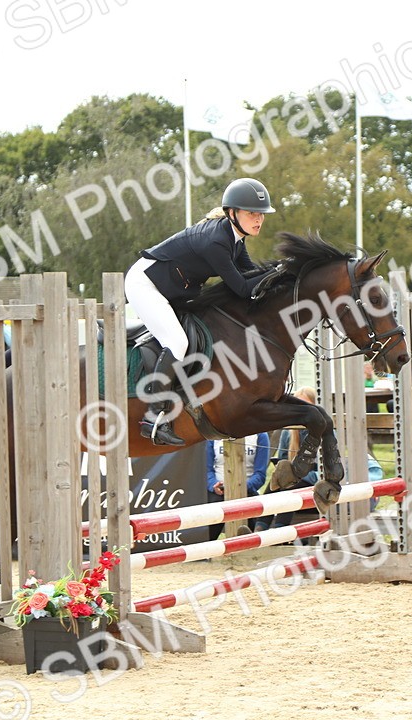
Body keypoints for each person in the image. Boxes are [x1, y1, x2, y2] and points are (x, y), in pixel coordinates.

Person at [125, 177, 275, 446]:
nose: (258, 220)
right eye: (252, 213)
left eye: (261, 214)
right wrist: (277, 273)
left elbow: (252, 273)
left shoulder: (235, 239)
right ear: (232, 213)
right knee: (177, 341)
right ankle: (153, 415)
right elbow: (242, 287)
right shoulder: (216, 241)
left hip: (169, 288)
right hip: (145, 284)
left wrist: (279, 273)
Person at [252, 388, 318, 535]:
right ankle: (259, 528)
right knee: (272, 485)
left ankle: (279, 531)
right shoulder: (289, 432)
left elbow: (321, 473)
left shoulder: (322, 432)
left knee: (288, 486)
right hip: (293, 478)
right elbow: (282, 458)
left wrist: (295, 476)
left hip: (314, 485)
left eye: (306, 404)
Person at [205, 432, 270, 540]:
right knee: (211, 518)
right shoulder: (214, 433)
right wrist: (213, 485)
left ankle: (249, 545)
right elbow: (207, 470)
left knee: (252, 516)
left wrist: (242, 487)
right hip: (218, 490)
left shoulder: (261, 436)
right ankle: (204, 551)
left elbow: (260, 474)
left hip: (246, 490)